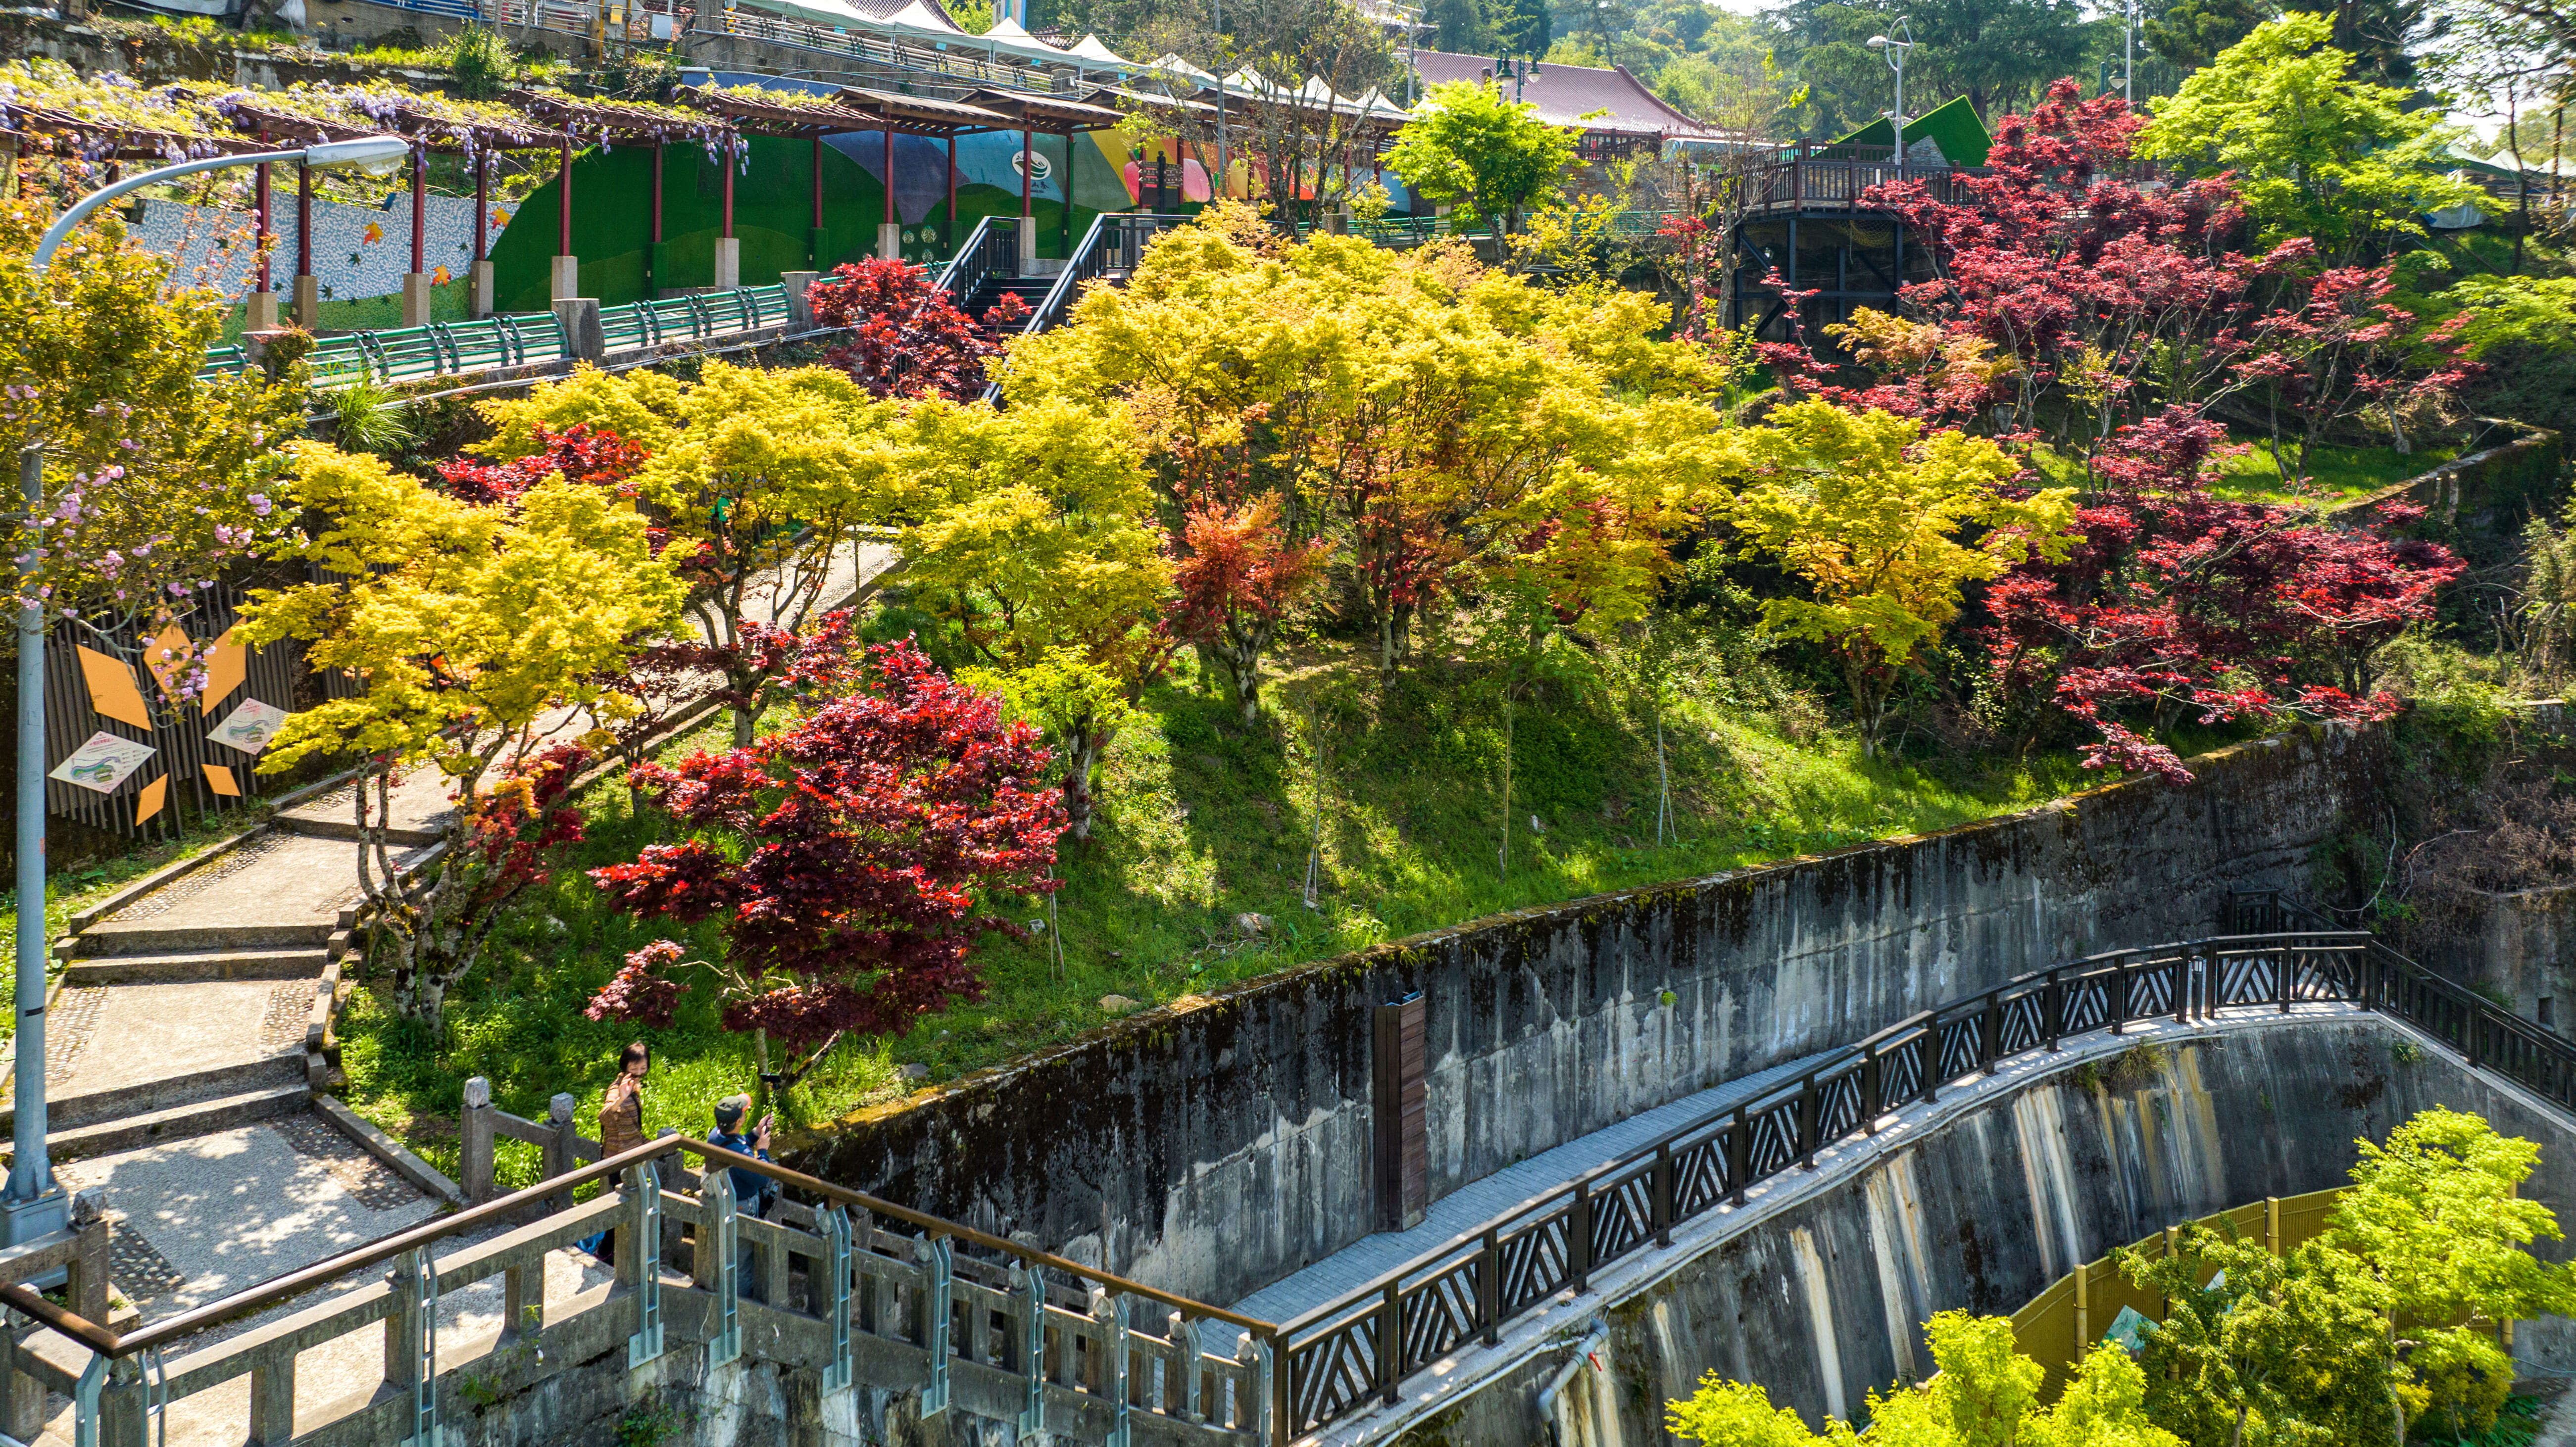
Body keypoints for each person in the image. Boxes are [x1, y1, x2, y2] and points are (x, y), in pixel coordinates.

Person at [581, 1042, 651, 1264]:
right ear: (625, 1066)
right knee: (621, 1207)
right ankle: (606, 1254)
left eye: (643, 1068)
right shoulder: (617, 1089)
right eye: (634, 1068)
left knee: (626, 1205)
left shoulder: (633, 1085)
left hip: (631, 1155)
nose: (639, 1073)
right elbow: (605, 1116)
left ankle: (615, 1252)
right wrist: (621, 1097)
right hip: (618, 1158)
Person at [707, 1095, 780, 1221]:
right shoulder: (742, 1155)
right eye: (744, 1113)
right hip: (742, 1206)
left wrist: (756, 1133)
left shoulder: (715, 1135)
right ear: (738, 1122)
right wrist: (762, 1151)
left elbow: (735, 1143)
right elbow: (762, 1179)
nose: (745, 1114)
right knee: (744, 1240)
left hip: (726, 1197)